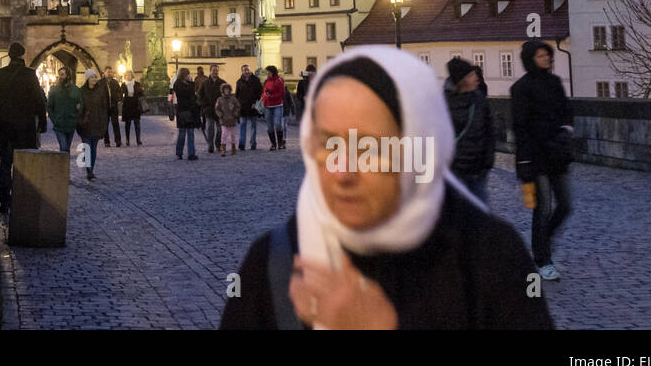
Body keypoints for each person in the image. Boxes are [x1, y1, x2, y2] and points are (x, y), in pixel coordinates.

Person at [220, 46, 553, 329]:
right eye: (329, 144)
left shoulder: (490, 256)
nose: (343, 170)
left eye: (369, 147)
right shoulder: (274, 260)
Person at [511, 39, 575, 282]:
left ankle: (540, 246)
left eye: (547, 54)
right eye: (540, 56)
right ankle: (543, 259)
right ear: (530, 59)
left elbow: (566, 111)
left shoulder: (555, 82)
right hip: (535, 157)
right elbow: (520, 127)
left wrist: (565, 130)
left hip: (557, 153)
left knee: (566, 205)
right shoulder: (521, 88)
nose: (546, 58)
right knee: (542, 208)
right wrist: (524, 162)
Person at [0, 42, 47, 215]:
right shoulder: (29, 75)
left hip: (4, 129)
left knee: (5, 164)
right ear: (22, 55)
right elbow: (39, 100)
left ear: (9, 56)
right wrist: (42, 123)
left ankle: (5, 202)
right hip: (25, 128)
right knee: (25, 164)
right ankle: (24, 199)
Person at [444, 58, 494, 206]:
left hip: (478, 170)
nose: (476, 78)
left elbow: (489, 131)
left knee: (481, 212)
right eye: (471, 75)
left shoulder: (479, 99)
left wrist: (488, 161)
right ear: (462, 80)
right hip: (456, 170)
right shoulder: (444, 102)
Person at [77, 68, 109, 180]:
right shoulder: (81, 91)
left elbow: (104, 108)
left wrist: (104, 122)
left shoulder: (100, 91)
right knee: (87, 147)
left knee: (94, 148)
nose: (94, 79)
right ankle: (88, 168)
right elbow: (78, 107)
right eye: (92, 77)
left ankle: (91, 169)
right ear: (87, 79)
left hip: (97, 122)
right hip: (85, 123)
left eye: (95, 77)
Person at [46, 66, 81, 153]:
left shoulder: (76, 90)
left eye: (62, 75)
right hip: (59, 125)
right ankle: (63, 164)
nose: (60, 77)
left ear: (68, 76)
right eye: (59, 75)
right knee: (63, 147)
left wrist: (75, 119)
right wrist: (55, 119)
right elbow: (49, 106)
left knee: (67, 148)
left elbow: (80, 105)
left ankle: (64, 165)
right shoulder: (54, 90)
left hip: (71, 125)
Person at [197, 63, 228, 154]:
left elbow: (227, 95)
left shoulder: (223, 82)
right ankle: (210, 145)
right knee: (210, 128)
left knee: (220, 129)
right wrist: (203, 105)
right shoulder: (205, 83)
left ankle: (218, 145)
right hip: (209, 110)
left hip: (220, 111)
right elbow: (200, 95)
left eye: (216, 70)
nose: (215, 72)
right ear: (210, 71)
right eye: (213, 70)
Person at [173, 68, 200, 161]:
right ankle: (179, 152)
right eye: (188, 74)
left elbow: (193, 96)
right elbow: (185, 94)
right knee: (182, 133)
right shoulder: (177, 84)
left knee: (191, 133)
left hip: (190, 110)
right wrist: (192, 84)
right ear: (184, 75)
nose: (189, 76)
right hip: (183, 111)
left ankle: (191, 153)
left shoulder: (188, 85)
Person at [235, 64, 263, 150]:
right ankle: (242, 143)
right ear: (242, 71)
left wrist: (255, 103)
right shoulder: (239, 82)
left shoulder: (256, 80)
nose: (246, 71)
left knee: (253, 126)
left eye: (248, 70)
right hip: (243, 107)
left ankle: (253, 143)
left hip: (253, 106)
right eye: (244, 70)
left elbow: (260, 93)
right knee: (243, 125)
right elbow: (237, 95)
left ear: (250, 70)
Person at [261, 65, 287, 150]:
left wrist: (271, 96)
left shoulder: (279, 81)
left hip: (277, 105)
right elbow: (264, 92)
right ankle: (273, 144)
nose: (266, 73)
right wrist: (264, 97)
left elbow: (282, 94)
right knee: (269, 126)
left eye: (267, 71)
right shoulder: (266, 81)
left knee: (277, 124)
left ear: (271, 72)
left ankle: (280, 143)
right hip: (267, 105)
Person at [215, 82, 240, 156]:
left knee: (232, 135)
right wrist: (220, 115)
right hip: (223, 120)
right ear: (222, 90)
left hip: (232, 119)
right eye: (225, 89)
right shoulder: (219, 99)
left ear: (230, 90)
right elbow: (217, 108)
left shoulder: (233, 99)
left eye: (228, 90)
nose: (226, 91)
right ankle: (223, 149)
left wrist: (235, 114)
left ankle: (233, 148)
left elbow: (238, 107)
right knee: (224, 135)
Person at [101, 66, 124, 147]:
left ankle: (118, 141)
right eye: (108, 72)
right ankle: (106, 141)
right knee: (105, 124)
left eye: (111, 72)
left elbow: (120, 92)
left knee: (115, 123)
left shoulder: (115, 82)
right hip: (104, 107)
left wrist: (119, 99)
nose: (110, 73)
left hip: (114, 106)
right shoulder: (100, 83)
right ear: (104, 73)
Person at [121, 72, 144, 145]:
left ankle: (138, 139)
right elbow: (121, 94)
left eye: (129, 75)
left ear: (132, 76)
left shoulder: (137, 84)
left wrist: (139, 91)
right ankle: (127, 140)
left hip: (135, 105)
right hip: (127, 106)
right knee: (127, 124)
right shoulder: (123, 84)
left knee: (137, 123)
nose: (128, 76)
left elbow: (141, 93)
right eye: (126, 75)